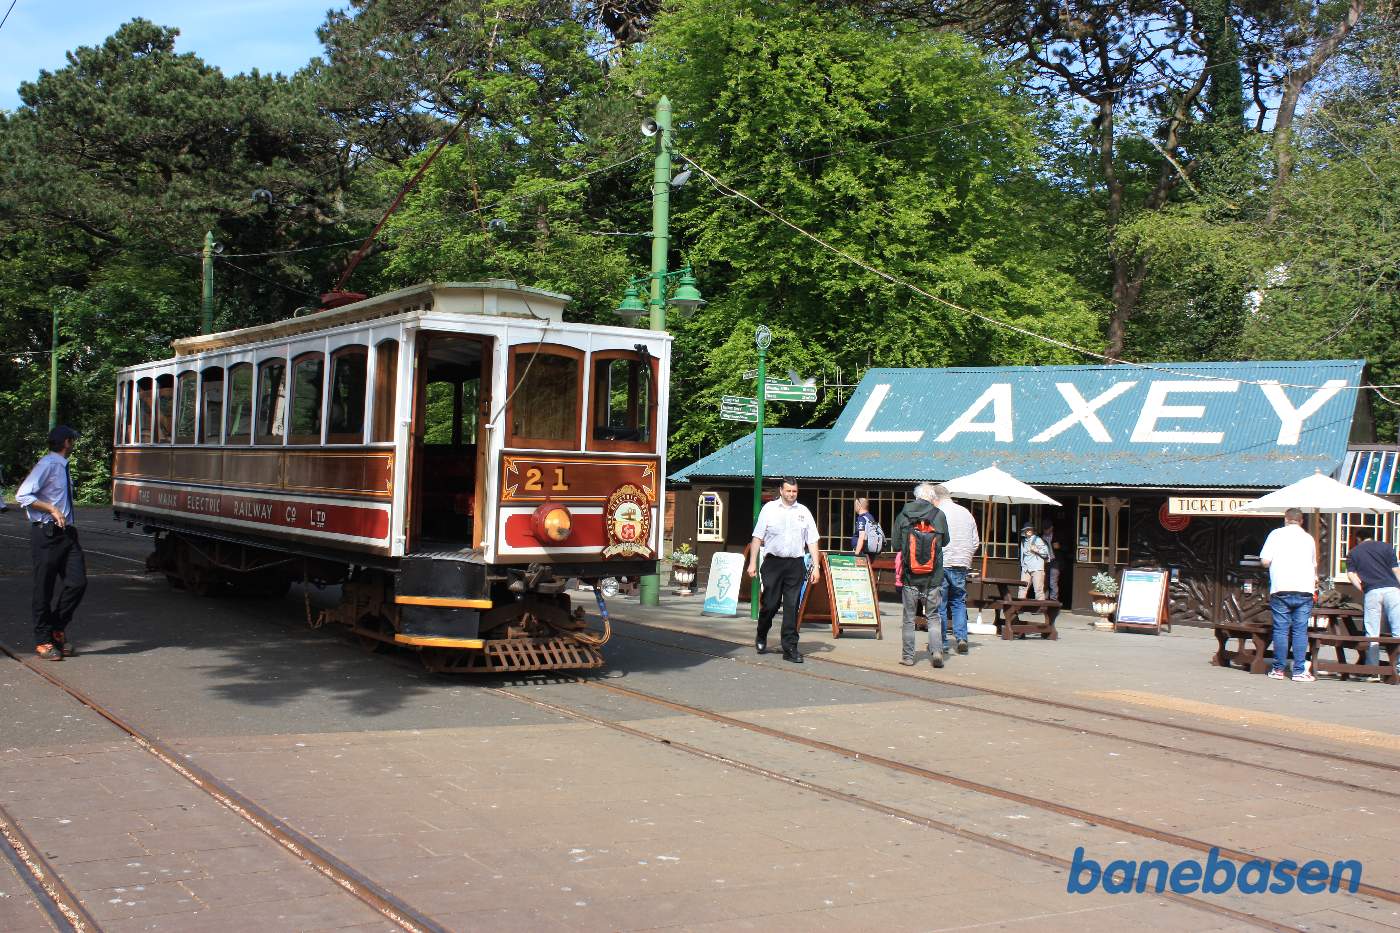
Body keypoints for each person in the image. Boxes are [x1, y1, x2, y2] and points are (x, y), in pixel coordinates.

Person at [16, 425, 86, 661]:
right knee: (43, 588)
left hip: (67, 533)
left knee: (77, 583)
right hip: (46, 533)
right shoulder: (48, 464)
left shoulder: (61, 466)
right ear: (66, 442)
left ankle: (57, 627)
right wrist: (52, 508)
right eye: (72, 441)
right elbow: (23, 495)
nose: (73, 444)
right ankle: (43, 640)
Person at [748, 478, 822, 663]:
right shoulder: (769, 509)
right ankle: (762, 633)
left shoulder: (803, 512)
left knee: (791, 606)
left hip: (795, 564)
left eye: (794, 492)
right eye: (788, 491)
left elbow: (812, 540)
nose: (791, 495)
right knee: (771, 604)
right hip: (773, 563)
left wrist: (816, 566)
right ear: (781, 490)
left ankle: (790, 647)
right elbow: (757, 537)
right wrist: (752, 563)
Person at [891, 483, 950, 667]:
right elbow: (946, 541)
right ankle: (937, 651)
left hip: (910, 576)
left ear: (916, 496)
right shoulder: (939, 515)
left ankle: (908, 657)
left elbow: (896, 543)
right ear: (931, 497)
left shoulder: (904, 514)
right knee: (933, 616)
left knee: (909, 617)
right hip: (934, 576)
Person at [1259, 508, 1317, 682]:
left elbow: (1265, 561)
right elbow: (1314, 565)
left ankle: (1278, 670)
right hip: (1304, 588)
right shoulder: (1309, 538)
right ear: (1302, 521)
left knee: (1281, 630)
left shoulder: (1275, 534)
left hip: (1281, 588)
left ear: (1286, 519)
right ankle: (1299, 671)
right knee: (1300, 631)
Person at [1345, 528, 1400, 673]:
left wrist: (1362, 589)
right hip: (1392, 590)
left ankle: (1372, 670)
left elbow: (1351, 575)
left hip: (1372, 591)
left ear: (1358, 538)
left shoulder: (1353, 552)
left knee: (1372, 632)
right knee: (1397, 630)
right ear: (1372, 536)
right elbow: (1396, 570)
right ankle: (1398, 667)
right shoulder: (1387, 547)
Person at [932, 484, 978, 655]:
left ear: (935, 498)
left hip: (942, 562)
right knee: (959, 601)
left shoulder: (937, 513)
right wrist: (965, 556)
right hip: (961, 562)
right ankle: (962, 638)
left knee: (941, 604)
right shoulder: (966, 513)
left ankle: (943, 643)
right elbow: (975, 542)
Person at [1019, 523, 1050, 600]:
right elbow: (1022, 555)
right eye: (1027, 529)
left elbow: (1046, 554)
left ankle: (1040, 608)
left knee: (1038, 589)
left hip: (1037, 568)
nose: (1028, 531)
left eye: (1030, 529)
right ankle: (1019, 607)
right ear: (1024, 531)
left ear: (1033, 530)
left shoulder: (1038, 539)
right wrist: (1022, 566)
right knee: (1022, 588)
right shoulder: (1023, 541)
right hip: (1026, 568)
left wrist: (1036, 550)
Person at [1041, 518, 1061, 601]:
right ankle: (1044, 600)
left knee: (1053, 582)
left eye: (1047, 529)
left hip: (1054, 561)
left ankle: (1053, 601)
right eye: (1044, 529)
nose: (1046, 531)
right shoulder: (1040, 537)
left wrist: (1059, 547)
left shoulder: (1057, 536)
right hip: (1044, 562)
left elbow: (1066, 547)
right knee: (1044, 582)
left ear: (1051, 528)